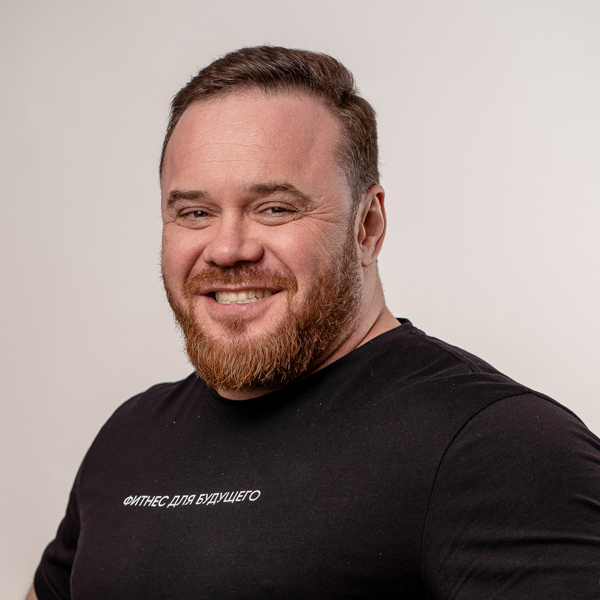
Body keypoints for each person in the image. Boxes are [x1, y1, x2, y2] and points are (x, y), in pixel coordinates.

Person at [28, 46, 600, 600]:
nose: (226, 249)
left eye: (275, 208)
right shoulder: (129, 436)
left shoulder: (499, 445)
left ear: (367, 225)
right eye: (195, 212)